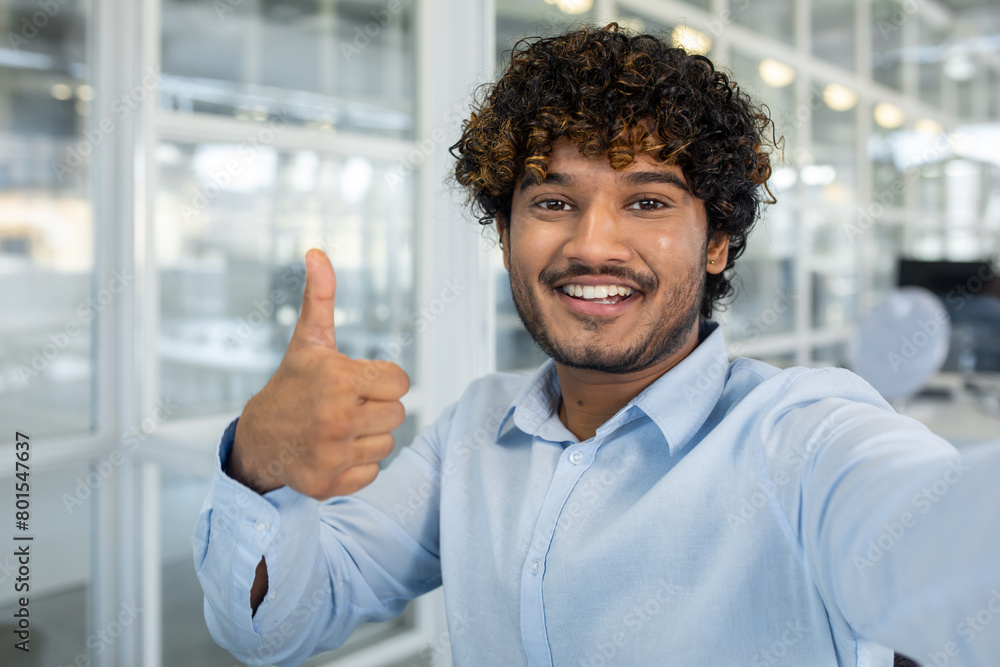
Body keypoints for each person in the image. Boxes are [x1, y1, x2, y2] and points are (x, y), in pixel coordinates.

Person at [194, 23, 1000, 667]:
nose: (593, 244)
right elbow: (278, 626)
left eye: (647, 200)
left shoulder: (804, 433)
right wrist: (260, 465)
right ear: (506, 232)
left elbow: (941, 551)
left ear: (717, 240)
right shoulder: (476, 431)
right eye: (552, 200)